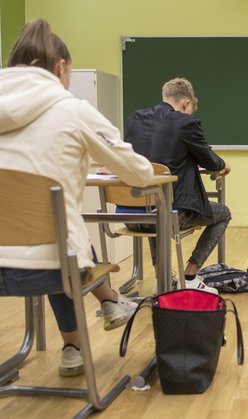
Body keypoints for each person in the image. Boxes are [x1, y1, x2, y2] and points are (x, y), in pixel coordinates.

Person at [0, 20, 156, 376]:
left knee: (54, 225)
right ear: (61, 68)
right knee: (59, 232)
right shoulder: (71, 109)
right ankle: (97, 320)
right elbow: (139, 174)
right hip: (49, 270)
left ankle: (82, 335)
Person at [122, 78, 231, 293]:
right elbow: (210, 161)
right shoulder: (186, 123)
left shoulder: (134, 119)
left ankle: (162, 278)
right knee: (223, 213)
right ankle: (190, 275)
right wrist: (223, 164)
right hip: (169, 216)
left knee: (153, 201)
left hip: (131, 216)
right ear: (187, 104)